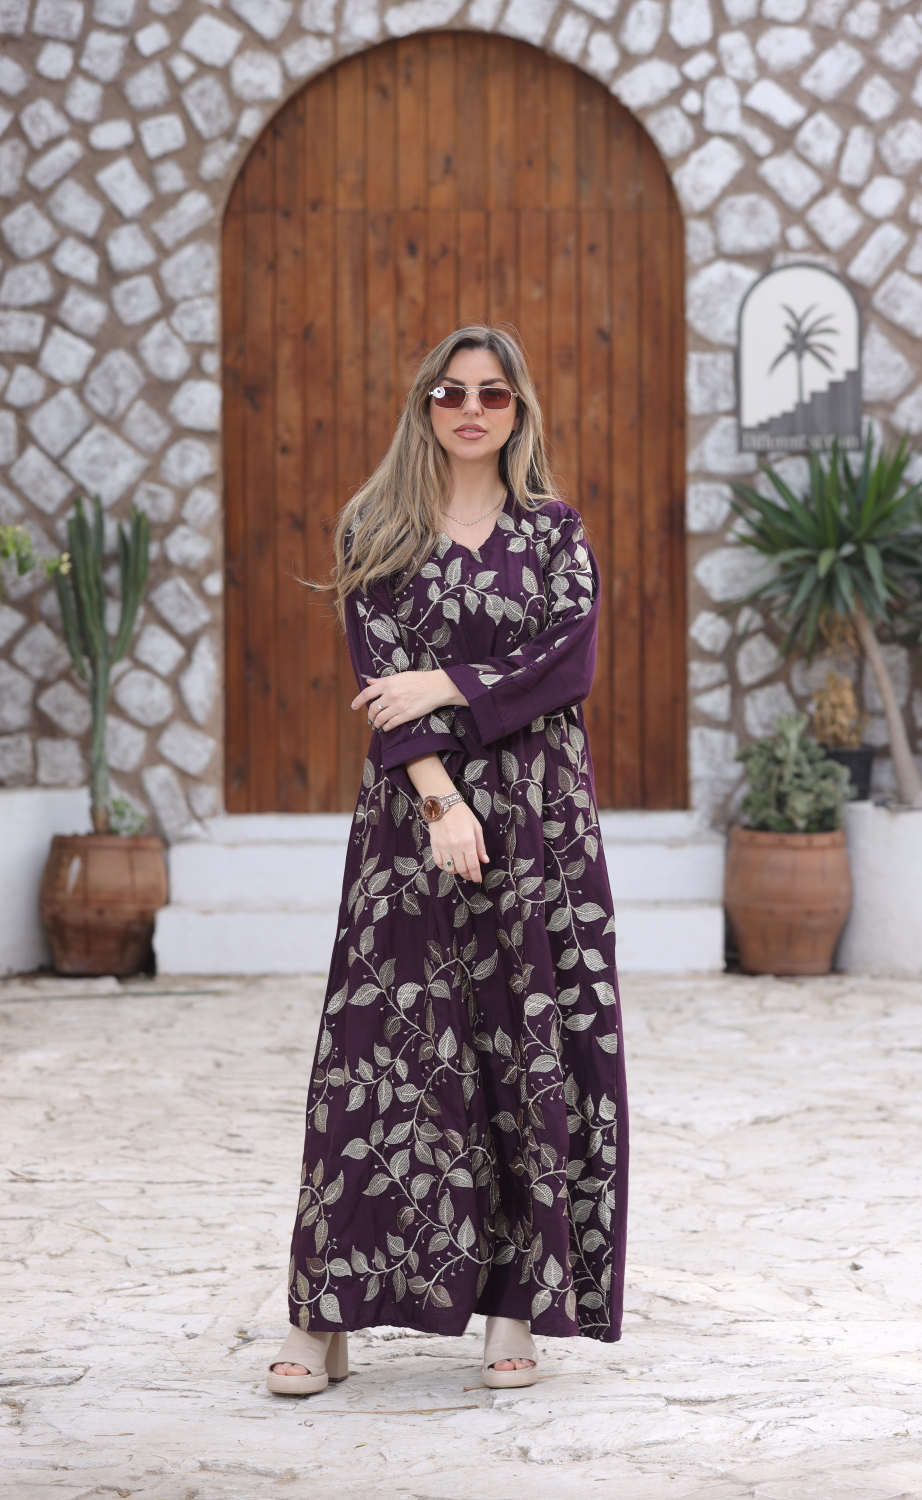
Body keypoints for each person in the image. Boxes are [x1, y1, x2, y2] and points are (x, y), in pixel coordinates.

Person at [266, 325, 628, 1396]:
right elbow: (380, 686)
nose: (472, 410)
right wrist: (440, 800)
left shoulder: (553, 531)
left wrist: (448, 683)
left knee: (528, 1054)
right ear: (424, 404)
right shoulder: (375, 527)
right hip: (414, 825)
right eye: (452, 392)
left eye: (494, 394)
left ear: (518, 412)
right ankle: (321, 1317)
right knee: (376, 1058)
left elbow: (568, 662)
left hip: (543, 826)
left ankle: (515, 1306)